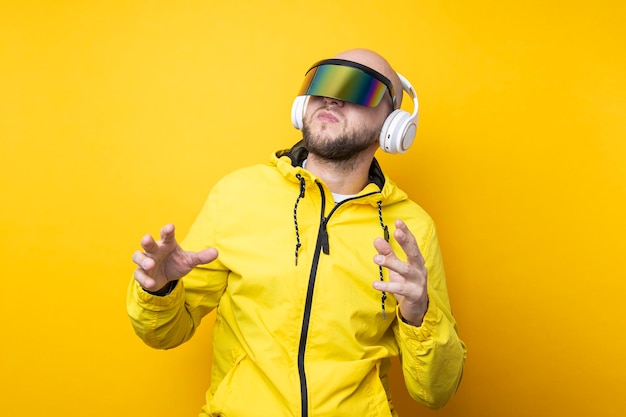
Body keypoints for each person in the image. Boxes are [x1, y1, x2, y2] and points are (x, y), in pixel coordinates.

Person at [127, 48, 466, 417]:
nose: (332, 97)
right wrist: (159, 291)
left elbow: (436, 391)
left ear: (394, 125)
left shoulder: (412, 229)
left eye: (359, 88)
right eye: (322, 82)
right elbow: (163, 334)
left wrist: (420, 314)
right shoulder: (239, 194)